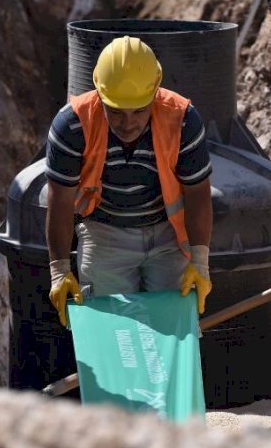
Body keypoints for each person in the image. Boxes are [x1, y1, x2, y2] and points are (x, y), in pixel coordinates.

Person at [45, 35, 213, 327]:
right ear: (99, 93)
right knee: (109, 335)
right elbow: (59, 200)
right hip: (104, 233)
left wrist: (199, 260)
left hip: (168, 235)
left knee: (173, 335)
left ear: (155, 94)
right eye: (116, 111)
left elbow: (198, 192)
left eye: (139, 111)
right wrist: (59, 270)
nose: (128, 123)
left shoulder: (183, 119)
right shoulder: (72, 124)